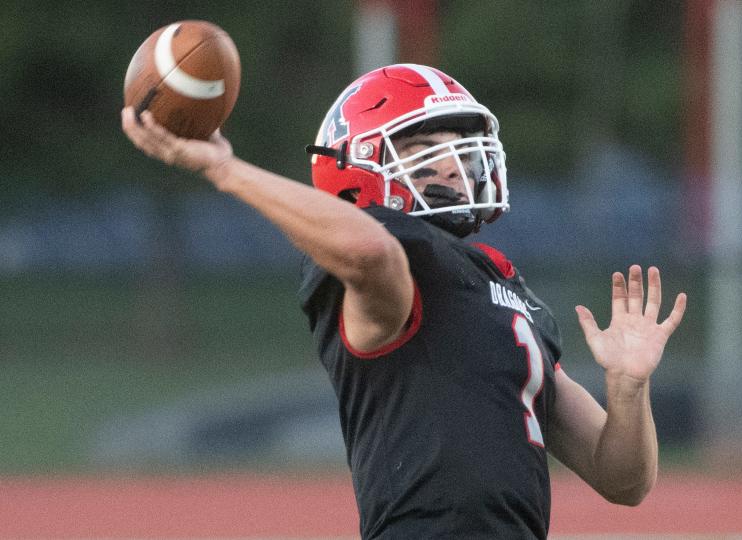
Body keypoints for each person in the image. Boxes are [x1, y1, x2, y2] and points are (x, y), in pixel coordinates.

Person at [121, 63, 686, 539]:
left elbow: (624, 480)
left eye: (455, 145)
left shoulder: (508, 289)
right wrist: (223, 168)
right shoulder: (385, 268)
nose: (451, 161)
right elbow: (372, 253)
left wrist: (628, 388)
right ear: (357, 164)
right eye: (421, 144)